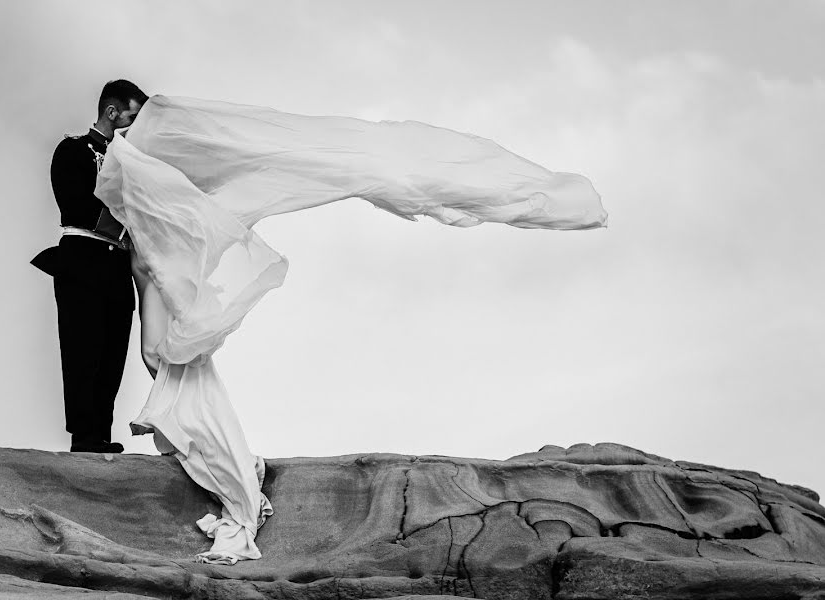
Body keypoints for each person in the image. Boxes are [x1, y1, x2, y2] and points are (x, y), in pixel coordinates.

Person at [94, 94, 607, 563]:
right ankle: (227, 471)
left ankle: (232, 483)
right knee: (182, 386)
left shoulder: (159, 238)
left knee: (180, 382)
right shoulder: (154, 237)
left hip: (167, 324)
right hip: (167, 324)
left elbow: (154, 299)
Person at [32, 80, 148, 453]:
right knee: (83, 350)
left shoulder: (136, 163)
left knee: (113, 354)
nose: (136, 126)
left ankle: (101, 432)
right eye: (132, 117)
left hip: (118, 267)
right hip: (82, 258)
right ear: (112, 112)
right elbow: (76, 205)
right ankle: (83, 437)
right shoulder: (72, 150)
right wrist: (131, 218)